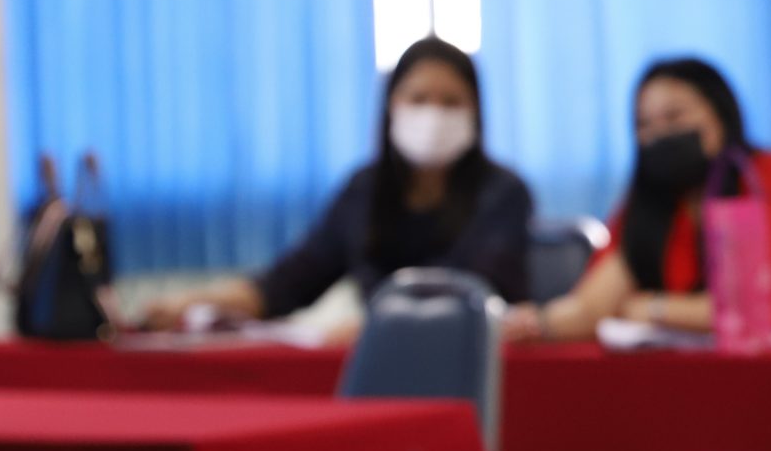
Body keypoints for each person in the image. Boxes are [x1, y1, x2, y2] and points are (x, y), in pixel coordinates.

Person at [140, 36, 531, 334]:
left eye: (450, 102)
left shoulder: (504, 194)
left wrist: (380, 327)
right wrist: (194, 302)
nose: (433, 114)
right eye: (419, 99)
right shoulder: (365, 191)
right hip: (376, 368)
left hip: (465, 360)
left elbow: (478, 292)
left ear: (475, 112)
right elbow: (288, 283)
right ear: (391, 106)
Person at [502, 57, 771, 342]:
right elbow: (594, 305)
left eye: (675, 117)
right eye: (645, 125)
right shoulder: (656, 203)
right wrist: (536, 322)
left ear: (720, 116)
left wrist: (653, 307)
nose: (659, 135)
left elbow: (754, 307)